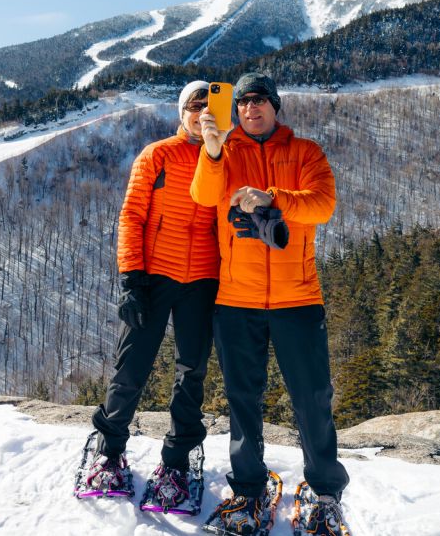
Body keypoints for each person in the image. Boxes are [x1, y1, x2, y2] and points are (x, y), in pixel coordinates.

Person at [192, 72, 351, 536]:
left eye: (259, 100)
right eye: (242, 102)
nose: (250, 108)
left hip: (297, 297)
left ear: (275, 106)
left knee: (312, 397)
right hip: (236, 299)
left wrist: (273, 198)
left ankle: (324, 492)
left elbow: (322, 205)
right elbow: (203, 196)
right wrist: (213, 149)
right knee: (243, 400)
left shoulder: (305, 152)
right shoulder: (224, 152)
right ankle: (247, 489)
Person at [78, 80, 220, 507]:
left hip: (204, 280)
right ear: (182, 112)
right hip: (155, 277)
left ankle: (176, 462)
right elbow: (131, 217)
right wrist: (130, 279)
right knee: (132, 365)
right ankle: (110, 453)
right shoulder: (157, 155)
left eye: (209, 107)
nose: (201, 114)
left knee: (191, 372)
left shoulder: (225, 158)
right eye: (194, 106)